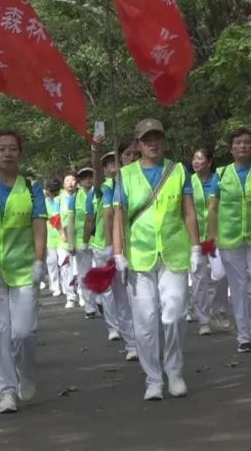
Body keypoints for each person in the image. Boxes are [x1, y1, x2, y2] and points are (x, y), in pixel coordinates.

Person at [112, 118, 202, 401]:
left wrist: (196, 247)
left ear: (163, 141)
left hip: (174, 252)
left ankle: (174, 371)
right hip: (139, 255)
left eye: (157, 138)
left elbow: (188, 211)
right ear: (138, 144)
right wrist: (118, 253)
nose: (152, 143)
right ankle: (153, 378)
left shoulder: (177, 171)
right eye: (146, 139)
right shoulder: (125, 175)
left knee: (173, 314)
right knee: (146, 320)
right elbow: (119, 216)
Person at [0, 129, 48, 414]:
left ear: (20, 153)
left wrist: (40, 260)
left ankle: (25, 372)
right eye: (1, 149)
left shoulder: (31, 187)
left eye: (13, 148)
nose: (7, 153)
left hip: (24, 268)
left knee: (24, 331)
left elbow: (39, 226)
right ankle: (6, 390)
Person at [215, 127, 251, 353]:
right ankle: (244, 336)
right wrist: (211, 238)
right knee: (238, 288)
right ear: (231, 148)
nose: (243, 146)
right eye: (238, 143)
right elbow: (213, 206)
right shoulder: (220, 173)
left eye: (247, 142)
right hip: (230, 237)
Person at [86, 148, 136, 354]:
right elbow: (107, 217)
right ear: (105, 169)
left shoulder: (133, 182)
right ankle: (122, 334)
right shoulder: (103, 188)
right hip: (105, 246)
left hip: (135, 245)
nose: (114, 165)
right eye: (109, 163)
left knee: (135, 296)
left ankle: (139, 337)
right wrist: (109, 247)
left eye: (117, 161)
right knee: (115, 294)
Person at [187, 147, 220, 336]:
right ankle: (204, 319)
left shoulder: (219, 180)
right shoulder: (189, 182)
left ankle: (217, 309)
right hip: (196, 238)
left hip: (217, 237)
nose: (196, 162)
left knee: (219, 276)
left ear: (209, 161)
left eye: (200, 158)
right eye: (194, 158)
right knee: (199, 279)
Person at [73, 167, 97, 317]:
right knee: (85, 274)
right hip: (81, 240)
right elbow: (69, 220)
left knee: (100, 272)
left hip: (99, 238)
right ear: (79, 182)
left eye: (90, 176)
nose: (88, 180)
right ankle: (90, 306)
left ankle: (101, 300)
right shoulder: (75, 198)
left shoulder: (100, 192)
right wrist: (70, 243)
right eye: (84, 177)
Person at [59, 173, 79, 308]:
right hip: (63, 240)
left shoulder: (81, 196)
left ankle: (82, 294)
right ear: (63, 184)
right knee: (66, 268)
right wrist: (62, 233)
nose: (70, 182)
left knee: (78, 269)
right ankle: (70, 296)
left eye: (73, 179)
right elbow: (54, 217)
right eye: (67, 180)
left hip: (79, 239)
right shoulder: (58, 199)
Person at [43, 179, 65, 297]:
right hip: (50, 235)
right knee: (51, 262)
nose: (53, 192)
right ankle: (55, 285)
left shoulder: (62, 196)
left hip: (62, 233)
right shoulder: (44, 201)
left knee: (63, 261)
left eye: (55, 190)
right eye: (51, 190)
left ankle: (66, 285)